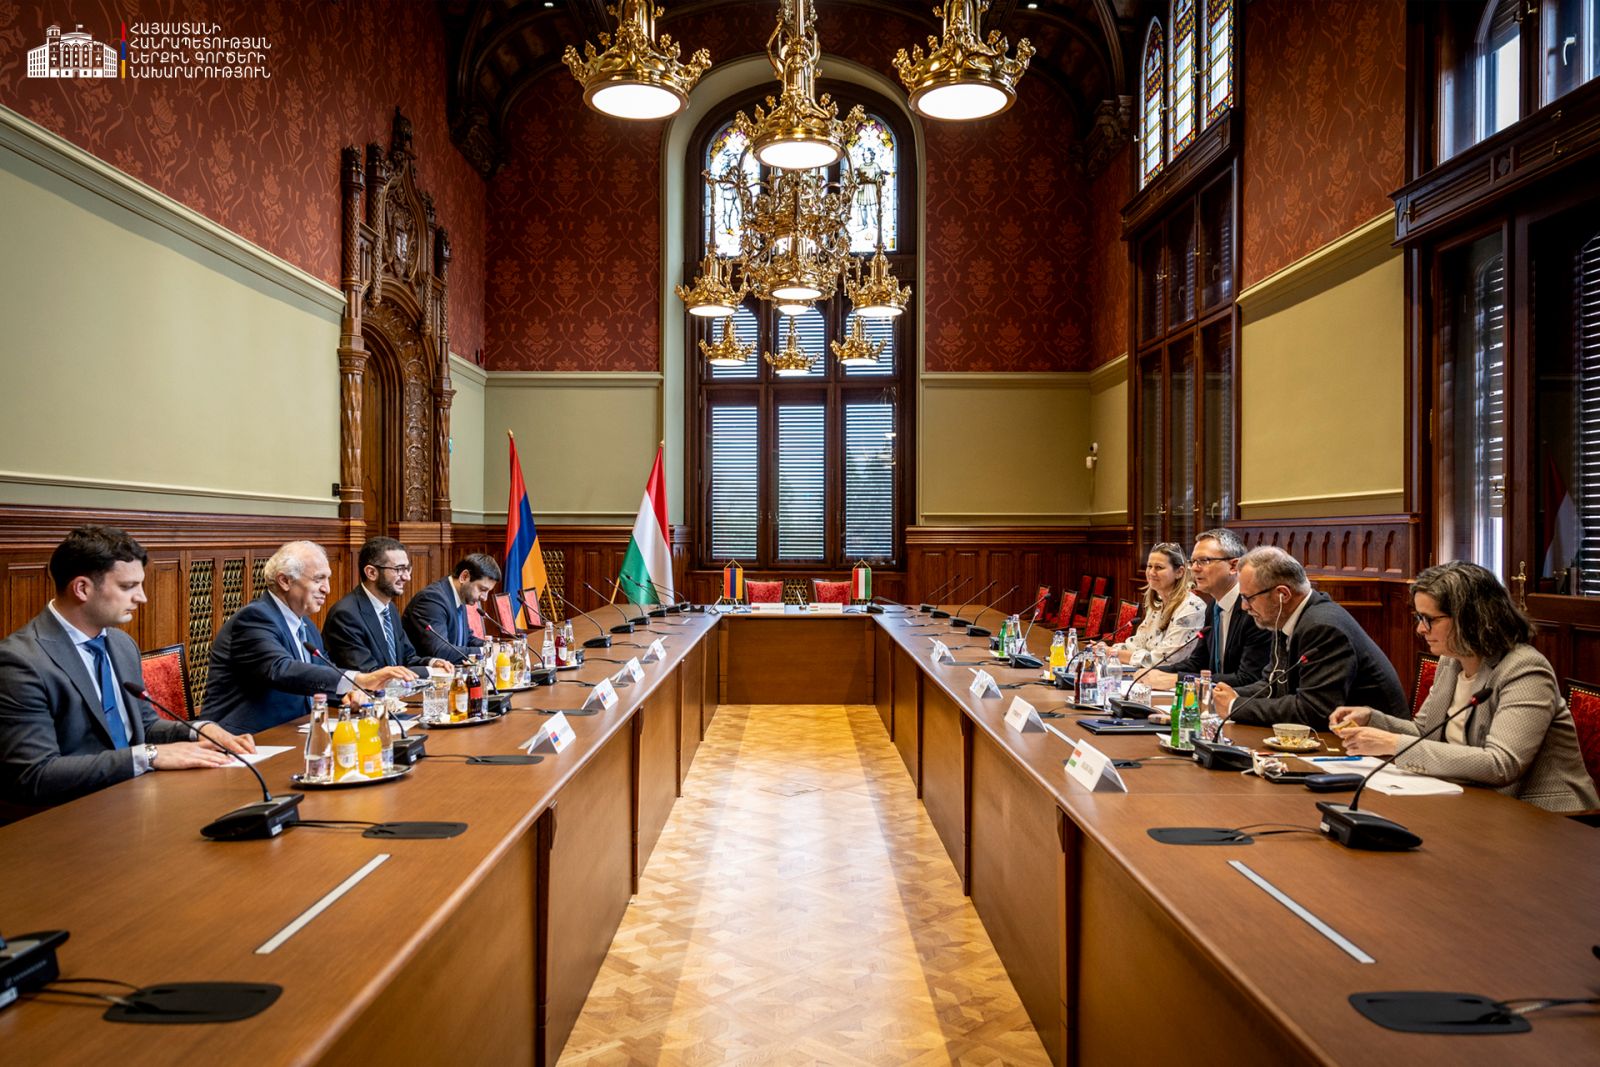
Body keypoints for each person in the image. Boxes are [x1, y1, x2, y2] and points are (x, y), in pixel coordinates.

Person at [0, 526, 255, 810]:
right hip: (68, 813)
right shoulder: (21, 661)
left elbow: (144, 726)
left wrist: (200, 730)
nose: (141, 598)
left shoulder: (121, 644)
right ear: (82, 588)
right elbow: (35, 775)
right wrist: (148, 755)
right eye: (127, 587)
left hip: (135, 795)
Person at [1330, 561, 1599, 813]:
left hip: (1544, 816)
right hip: (1475, 801)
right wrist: (1372, 718)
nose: (1420, 630)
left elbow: (1501, 764)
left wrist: (1393, 744)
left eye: (1430, 619)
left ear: (1470, 618)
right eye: (1418, 618)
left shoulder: (1524, 669)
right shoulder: (1451, 660)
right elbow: (1425, 732)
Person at [204, 541, 415, 735]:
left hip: (294, 731)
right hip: (247, 739)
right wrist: (359, 679)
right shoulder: (254, 619)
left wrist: (347, 695)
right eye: (318, 579)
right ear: (285, 581)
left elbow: (319, 677)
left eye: (327, 578)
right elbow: (280, 669)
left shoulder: (306, 625)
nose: (327, 589)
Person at [1212, 546, 1407, 730]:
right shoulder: (1283, 617)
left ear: (1282, 594)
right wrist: (1226, 695)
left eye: (1248, 598)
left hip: (1376, 744)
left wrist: (1234, 705)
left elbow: (1315, 710)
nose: (1244, 607)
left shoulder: (1323, 627)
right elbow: (1272, 684)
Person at [323, 537, 454, 676]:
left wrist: (432, 662)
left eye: (407, 569)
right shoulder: (345, 615)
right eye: (399, 569)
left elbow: (407, 659)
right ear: (371, 573)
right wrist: (430, 672)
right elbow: (369, 675)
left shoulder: (389, 608)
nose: (407, 577)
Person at [1108, 542, 1206, 669]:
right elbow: (1137, 643)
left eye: (1159, 567)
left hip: (1174, 677)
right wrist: (1107, 649)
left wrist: (1116, 654)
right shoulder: (1157, 604)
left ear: (1179, 572)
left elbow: (1165, 660)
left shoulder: (1192, 608)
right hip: (1148, 674)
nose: (1151, 572)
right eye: (1149, 566)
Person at [403, 553, 501, 663]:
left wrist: (494, 647)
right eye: (482, 589)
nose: (484, 598)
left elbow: (467, 639)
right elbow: (440, 651)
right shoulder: (433, 599)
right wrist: (485, 651)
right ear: (464, 577)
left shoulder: (460, 596)